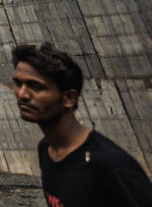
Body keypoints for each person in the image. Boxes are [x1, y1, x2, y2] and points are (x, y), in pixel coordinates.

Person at [12, 43, 152, 206]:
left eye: (36, 87)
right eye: (18, 83)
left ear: (69, 98)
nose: (22, 94)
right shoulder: (47, 150)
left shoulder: (109, 165)